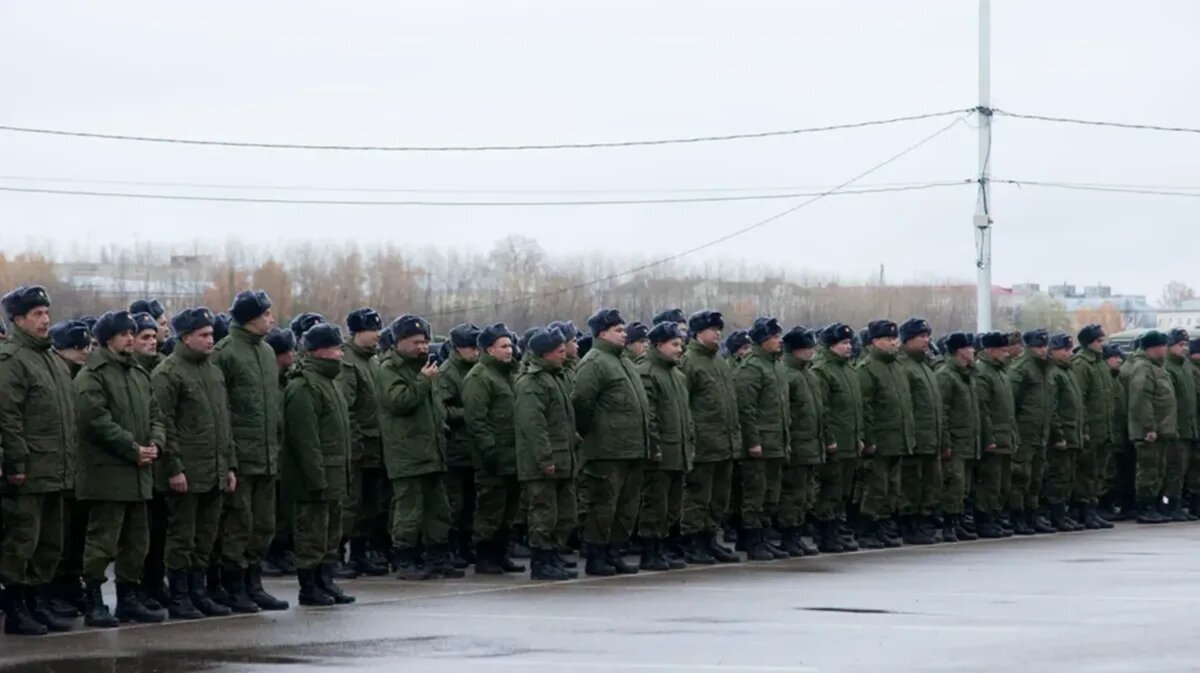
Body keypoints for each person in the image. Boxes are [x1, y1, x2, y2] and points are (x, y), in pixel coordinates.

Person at [75, 310, 167, 627]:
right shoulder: (93, 375)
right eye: (124, 333)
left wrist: (156, 443)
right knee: (102, 542)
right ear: (107, 339)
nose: (131, 337)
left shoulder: (139, 375)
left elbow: (156, 414)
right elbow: (96, 421)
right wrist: (132, 448)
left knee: (137, 541)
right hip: (107, 475)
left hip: (139, 473)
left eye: (132, 332)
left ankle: (129, 598)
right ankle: (94, 599)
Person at [0, 286, 77, 635]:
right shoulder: (12, 360)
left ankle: (36, 603)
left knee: (49, 544)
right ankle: (16, 609)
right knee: (22, 543)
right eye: (37, 314)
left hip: (56, 471)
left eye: (47, 313)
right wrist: (16, 466)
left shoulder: (52, 361)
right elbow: (8, 418)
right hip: (29, 472)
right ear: (17, 319)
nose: (46, 320)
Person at [151, 308, 236, 620]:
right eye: (203, 335)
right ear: (185, 338)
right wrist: (173, 468)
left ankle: (198, 592)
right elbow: (164, 423)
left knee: (205, 537)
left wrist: (229, 465)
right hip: (186, 471)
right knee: (181, 537)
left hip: (213, 470)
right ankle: (179, 595)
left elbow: (223, 422)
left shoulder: (212, 371)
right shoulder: (169, 373)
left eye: (211, 334)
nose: (210, 340)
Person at [212, 290, 288, 612]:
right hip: (241, 458)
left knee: (263, 525)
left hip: (267, 456)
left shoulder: (268, 353)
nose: (272, 319)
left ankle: (254, 583)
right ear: (251, 317)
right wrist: (229, 459)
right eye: (266, 314)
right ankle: (233, 585)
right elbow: (221, 410)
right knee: (238, 525)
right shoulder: (225, 353)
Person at [378, 315, 463, 580]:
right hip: (406, 452)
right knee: (409, 509)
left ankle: (437, 556)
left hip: (432, 450)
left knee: (438, 508)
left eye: (425, 341)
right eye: (415, 342)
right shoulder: (389, 368)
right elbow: (398, 401)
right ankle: (405, 559)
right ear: (399, 342)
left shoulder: (426, 367)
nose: (422, 347)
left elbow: (436, 407)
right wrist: (423, 381)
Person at [573, 308, 650, 577]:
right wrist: (590, 434)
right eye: (618, 330)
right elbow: (581, 403)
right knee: (602, 505)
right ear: (603, 333)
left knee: (626, 507)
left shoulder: (624, 362)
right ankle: (597, 555)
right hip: (606, 450)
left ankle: (614, 552)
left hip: (631, 448)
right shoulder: (594, 362)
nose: (624, 334)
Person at [283, 323, 355, 607]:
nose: (341, 353)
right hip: (315, 476)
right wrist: (316, 479)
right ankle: (309, 586)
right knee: (311, 532)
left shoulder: (330, 383)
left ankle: (326, 579)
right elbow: (305, 441)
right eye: (336, 347)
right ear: (319, 351)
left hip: (335, 472)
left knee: (331, 532)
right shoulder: (304, 386)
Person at [515, 328, 578, 581]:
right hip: (543, 462)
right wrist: (545, 459)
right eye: (561, 351)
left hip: (562, 456)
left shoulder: (555, 378)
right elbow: (534, 426)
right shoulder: (532, 383)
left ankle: (553, 555)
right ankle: (541, 561)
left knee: (563, 513)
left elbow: (559, 419)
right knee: (543, 512)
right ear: (545, 354)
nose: (566, 355)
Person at [679, 310, 741, 564]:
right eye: (711, 329)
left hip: (724, 443)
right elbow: (684, 405)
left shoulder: (719, 362)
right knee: (698, 497)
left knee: (718, 498)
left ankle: (709, 539)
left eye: (719, 329)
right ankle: (693, 543)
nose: (717, 333)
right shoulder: (689, 362)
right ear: (697, 333)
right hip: (703, 444)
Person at [464, 323, 525, 575]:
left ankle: (501, 553)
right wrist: (489, 451)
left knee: (509, 508)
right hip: (494, 455)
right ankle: (485, 555)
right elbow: (477, 420)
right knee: (490, 507)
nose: (509, 350)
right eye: (504, 346)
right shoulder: (479, 377)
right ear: (489, 349)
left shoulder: (509, 374)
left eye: (510, 345)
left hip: (514, 453)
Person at [636, 322, 694, 571]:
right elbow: (649, 416)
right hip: (660, 454)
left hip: (678, 451)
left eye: (681, 344)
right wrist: (654, 447)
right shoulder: (647, 372)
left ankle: (663, 547)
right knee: (655, 504)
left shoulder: (677, 375)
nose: (680, 349)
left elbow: (685, 416)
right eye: (674, 344)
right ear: (659, 345)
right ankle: (650, 550)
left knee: (672, 506)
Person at [338, 308, 389, 576]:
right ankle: (336, 555)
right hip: (358, 448)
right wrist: (354, 445)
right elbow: (347, 408)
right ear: (358, 332)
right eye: (373, 330)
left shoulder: (373, 361)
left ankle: (360, 553)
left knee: (370, 505)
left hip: (375, 445)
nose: (377, 336)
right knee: (350, 504)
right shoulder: (348, 362)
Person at [734, 317, 790, 561]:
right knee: (754, 495)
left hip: (776, 442)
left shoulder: (776, 366)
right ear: (762, 340)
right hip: (760, 444)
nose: (779, 341)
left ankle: (764, 537)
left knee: (770, 494)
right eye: (775, 337)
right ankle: (752, 540)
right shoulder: (752, 368)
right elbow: (746, 409)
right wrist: (753, 440)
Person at [856, 320, 915, 549]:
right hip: (880, 440)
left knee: (892, 487)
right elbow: (866, 408)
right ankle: (867, 528)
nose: (893, 343)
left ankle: (882, 525)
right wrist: (869, 440)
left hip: (897, 439)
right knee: (876, 486)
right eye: (887, 339)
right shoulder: (868, 369)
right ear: (873, 342)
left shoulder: (897, 367)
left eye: (894, 338)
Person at [46, 320, 91, 617]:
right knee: (55, 536)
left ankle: (71, 584)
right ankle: (53, 591)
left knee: (77, 534)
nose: (83, 352)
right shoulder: (59, 378)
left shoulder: (82, 377)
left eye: (86, 346)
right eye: (77, 347)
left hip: (82, 469)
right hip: (57, 467)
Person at [811, 323, 864, 553]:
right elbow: (823, 410)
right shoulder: (822, 370)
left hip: (850, 441)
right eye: (843, 343)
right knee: (830, 490)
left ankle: (835, 530)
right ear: (830, 345)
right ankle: (825, 534)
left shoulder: (849, 370)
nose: (848, 346)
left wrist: (859, 437)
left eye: (849, 342)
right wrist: (829, 438)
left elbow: (856, 409)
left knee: (843, 491)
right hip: (835, 443)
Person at [131, 311, 168, 611]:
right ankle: (140, 588)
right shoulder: (135, 373)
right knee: (139, 535)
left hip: (156, 463)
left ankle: (155, 584)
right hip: (136, 465)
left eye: (154, 337)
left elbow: (159, 417)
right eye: (145, 337)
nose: (152, 342)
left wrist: (157, 443)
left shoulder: (156, 370)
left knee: (158, 533)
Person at [438, 323, 482, 567]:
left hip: (471, 448)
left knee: (470, 503)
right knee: (453, 503)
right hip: (455, 448)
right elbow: (441, 408)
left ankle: (466, 545)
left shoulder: (475, 370)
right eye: (470, 347)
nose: (475, 352)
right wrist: (467, 413)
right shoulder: (448, 373)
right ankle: (451, 546)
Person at [1121, 331, 1176, 524]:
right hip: (1149, 432)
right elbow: (1140, 400)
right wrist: (1149, 427)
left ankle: (1153, 505)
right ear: (1153, 348)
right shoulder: (1143, 368)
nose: (1166, 350)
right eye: (1163, 346)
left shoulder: (1156, 367)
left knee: (1157, 469)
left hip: (1160, 430)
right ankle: (1145, 507)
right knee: (1148, 470)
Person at [778, 326, 823, 557]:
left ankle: (796, 533)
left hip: (811, 443)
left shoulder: (809, 375)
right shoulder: (789, 375)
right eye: (807, 347)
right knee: (792, 493)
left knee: (805, 493)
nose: (812, 350)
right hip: (796, 444)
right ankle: (787, 535)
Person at [897, 318, 943, 545]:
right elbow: (905, 407)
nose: (926, 341)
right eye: (921, 337)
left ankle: (923, 521)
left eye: (927, 336)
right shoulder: (904, 367)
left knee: (930, 483)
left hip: (931, 438)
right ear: (907, 341)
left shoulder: (925, 366)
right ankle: (910, 525)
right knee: (911, 484)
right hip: (915, 439)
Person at [1008, 330, 1055, 535]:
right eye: (1038, 346)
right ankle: (1017, 516)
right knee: (1020, 477)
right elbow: (1011, 404)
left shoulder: (1045, 369)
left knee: (1036, 476)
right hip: (1024, 433)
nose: (1043, 350)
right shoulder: (1021, 369)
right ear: (1028, 347)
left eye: (1045, 346)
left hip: (1040, 432)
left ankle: (1031, 514)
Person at [936, 332, 981, 541]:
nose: (973, 351)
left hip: (968, 441)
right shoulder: (946, 375)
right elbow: (942, 412)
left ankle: (958, 521)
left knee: (964, 486)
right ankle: (947, 524)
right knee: (953, 483)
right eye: (969, 348)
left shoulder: (968, 375)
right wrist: (945, 442)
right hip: (955, 441)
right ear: (960, 351)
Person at [973, 331, 1018, 538]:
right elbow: (983, 409)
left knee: (1002, 482)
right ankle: (985, 519)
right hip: (993, 439)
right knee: (989, 482)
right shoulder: (983, 372)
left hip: (1005, 436)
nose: (1006, 353)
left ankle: (996, 516)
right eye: (1002, 350)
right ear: (990, 351)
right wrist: (988, 438)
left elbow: (1008, 410)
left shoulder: (1000, 372)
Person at [1072, 324, 1116, 528]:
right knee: (1086, 472)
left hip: (1103, 428)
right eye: (1099, 341)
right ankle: (1083, 510)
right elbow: (1080, 400)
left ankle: (1092, 507)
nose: (1102, 344)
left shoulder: (1099, 364)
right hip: (1091, 429)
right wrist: (1085, 429)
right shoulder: (1082, 364)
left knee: (1098, 472)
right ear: (1088, 343)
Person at [1044, 334, 1085, 531]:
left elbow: (1076, 407)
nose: (1069, 353)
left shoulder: (1067, 372)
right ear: (1052, 351)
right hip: (1061, 436)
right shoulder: (1053, 373)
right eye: (1064, 350)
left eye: (1070, 350)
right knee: (1058, 476)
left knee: (1068, 476)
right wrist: (1058, 435)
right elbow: (1052, 408)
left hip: (1072, 433)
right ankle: (1055, 514)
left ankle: (1063, 513)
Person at [1162, 328, 1196, 521]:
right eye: (1180, 345)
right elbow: (1169, 402)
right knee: (1173, 468)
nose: (1184, 348)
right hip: (1175, 428)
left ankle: (1177, 503)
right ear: (1170, 346)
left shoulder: (1185, 367)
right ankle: (1169, 504)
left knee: (1183, 468)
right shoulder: (1169, 367)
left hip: (1187, 426)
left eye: (1185, 345)